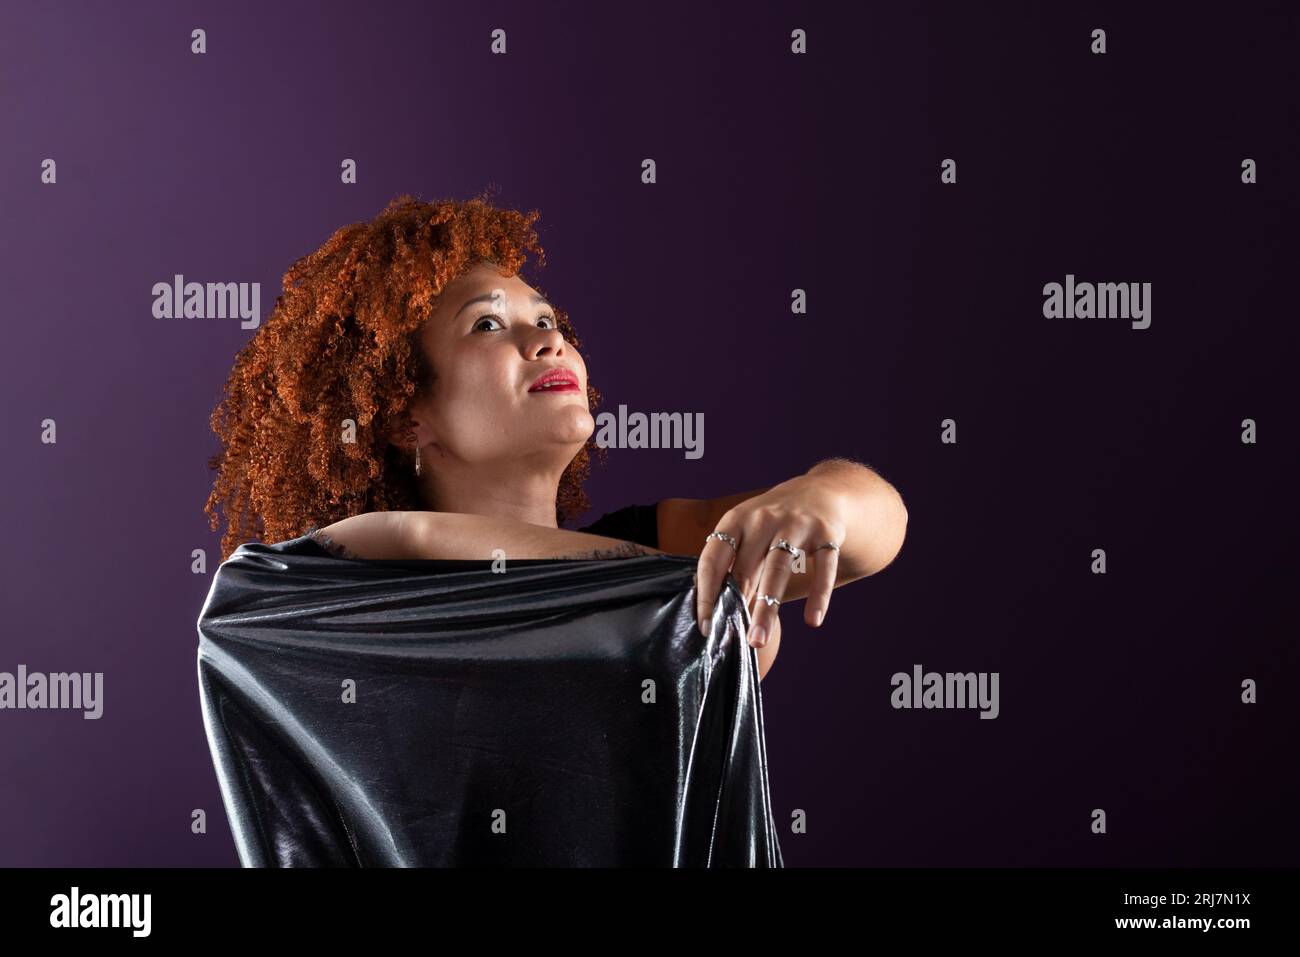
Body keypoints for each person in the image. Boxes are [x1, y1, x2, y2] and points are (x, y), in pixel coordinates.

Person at [203, 191, 909, 681]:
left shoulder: (660, 551)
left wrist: (824, 500)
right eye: (486, 324)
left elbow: (880, 523)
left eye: (547, 320)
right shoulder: (353, 601)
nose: (545, 340)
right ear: (402, 414)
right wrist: (672, 590)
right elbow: (283, 580)